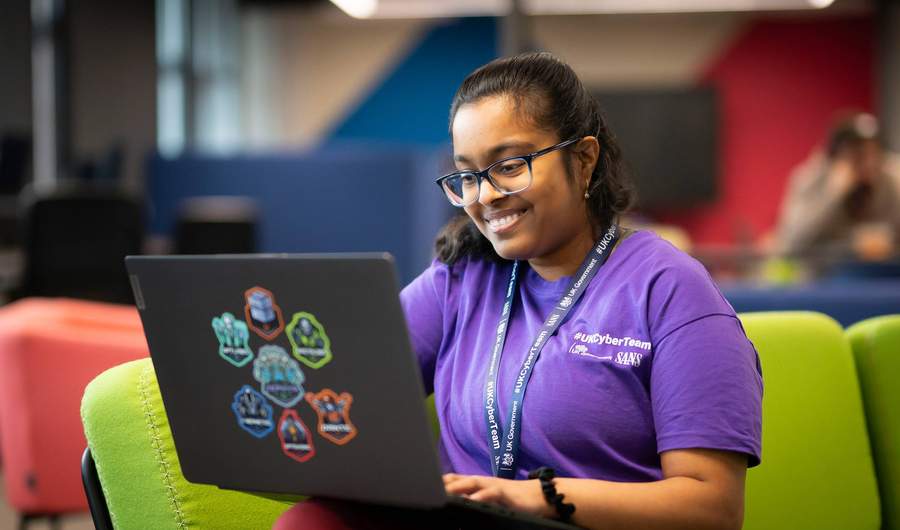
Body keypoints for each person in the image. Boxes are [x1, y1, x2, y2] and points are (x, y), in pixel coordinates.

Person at [275, 52, 762, 530]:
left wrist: (537, 497)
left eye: (509, 166)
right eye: (468, 175)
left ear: (584, 159)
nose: (484, 195)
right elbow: (347, 389)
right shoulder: (461, 278)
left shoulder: (671, 289)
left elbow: (713, 506)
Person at [774, 112, 900, 262]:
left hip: (885, 274)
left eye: (875, 153)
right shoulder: (811, 179)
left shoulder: (892, 177)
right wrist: (832, 195)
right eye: (859, 155)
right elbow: (791, 242)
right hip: (825, 276)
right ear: (835, 157)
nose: (870, 163)